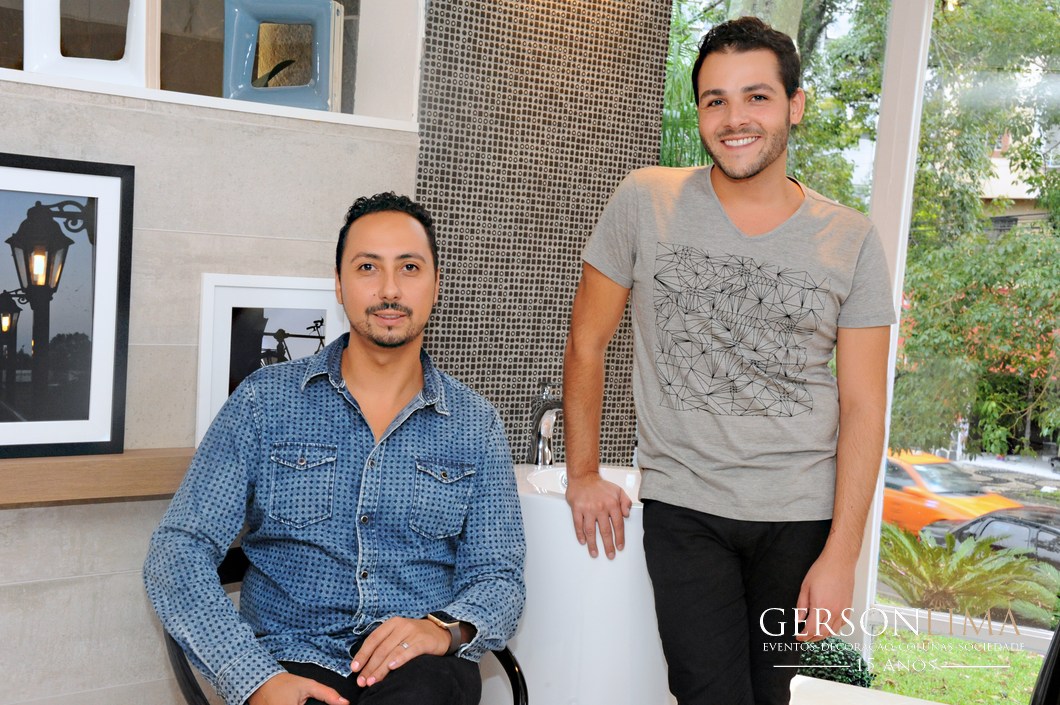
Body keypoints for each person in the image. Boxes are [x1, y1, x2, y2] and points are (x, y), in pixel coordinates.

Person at [562, 16, 894, 705]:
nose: (734, 118)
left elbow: (864, 405)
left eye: (756, 97)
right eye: (715, 100)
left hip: (801, 518)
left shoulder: (852, 239)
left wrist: (842, 554)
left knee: (772, 698)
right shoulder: (645, 201)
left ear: (794, 105)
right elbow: (586, 341)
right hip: (686, 507)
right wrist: (583, 472)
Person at [144, 192, 526, 705]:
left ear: (436, 284)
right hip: (289, 659)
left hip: (417, 669)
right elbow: (178, 550)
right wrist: (252, 677)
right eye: (368, 267)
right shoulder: (263, 402)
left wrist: (442, 629)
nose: (389, 289)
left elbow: (498, 578)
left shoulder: (476, 425)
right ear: (340, 284)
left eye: (409, 267)